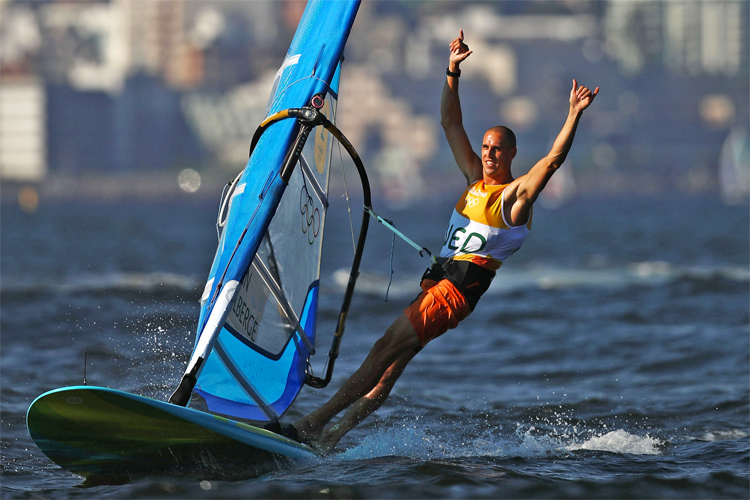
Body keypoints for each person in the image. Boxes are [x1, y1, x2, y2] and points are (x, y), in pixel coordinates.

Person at [292, 30, 598, 452]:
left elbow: (553, 161)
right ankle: (330, 438)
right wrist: (452, 70)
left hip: (454, 292)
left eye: (497, 149)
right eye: (486, 147)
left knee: (383, 347)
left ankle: (313, 423)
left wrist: (573, 115)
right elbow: (450, 123)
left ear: (511, 154)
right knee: (388, 370)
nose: (488, 153)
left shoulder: (514, 200)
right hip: (437, 283)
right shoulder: (474, 180)